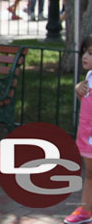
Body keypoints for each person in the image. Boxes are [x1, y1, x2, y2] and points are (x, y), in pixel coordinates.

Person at [64, 34, 92, 224]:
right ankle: (86, 210)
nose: (85, 57)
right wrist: (77, 89)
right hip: (86, 134)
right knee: (89, 173)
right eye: (84, 52)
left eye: (91, 53)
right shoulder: (89, 76)